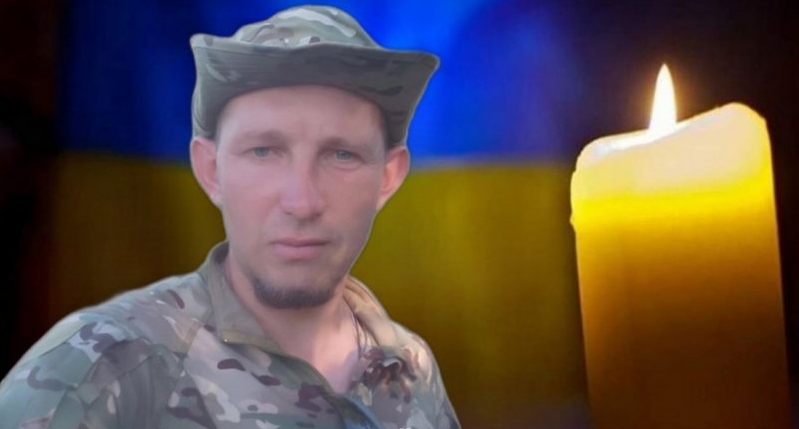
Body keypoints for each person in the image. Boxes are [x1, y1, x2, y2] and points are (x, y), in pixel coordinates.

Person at [0, 5, 459, 429]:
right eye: (263, 151)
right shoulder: (101, 364)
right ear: (210, 170)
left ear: (388, 177)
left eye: (341, 155)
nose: (302, 201)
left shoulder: (409, 367)